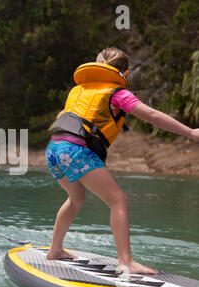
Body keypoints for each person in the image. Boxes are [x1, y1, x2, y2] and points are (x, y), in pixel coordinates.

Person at [46, 47, 199, 274]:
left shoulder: (78, 90)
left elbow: (65, 118)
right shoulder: (117, 93)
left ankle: (55, 250)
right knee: (119, 200)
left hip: (54, 149)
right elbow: (153, 116)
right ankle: (126, 262)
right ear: (124, 73)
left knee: (75, 197)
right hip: (77, 151)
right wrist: (191, 132)